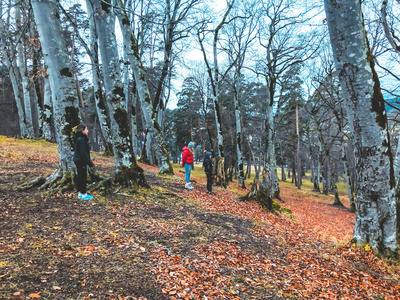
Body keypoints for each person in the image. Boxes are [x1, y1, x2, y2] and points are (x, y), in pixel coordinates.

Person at [73, 124, 94, 200]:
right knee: (83, 177)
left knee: (80, 176)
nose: (87, 131)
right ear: (83, 130)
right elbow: (83, 153)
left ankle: (80, 193)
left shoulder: (77, 138)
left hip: (77, 160)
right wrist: (89, 162)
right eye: (86, 129)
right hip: (81, 160)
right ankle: (84, 193)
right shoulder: (82, 140)